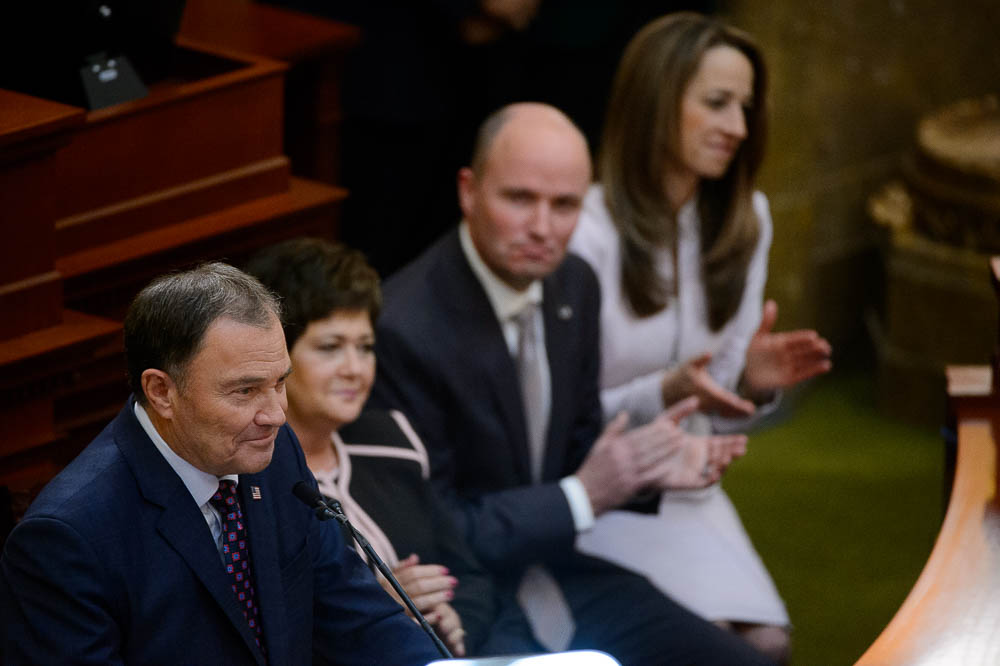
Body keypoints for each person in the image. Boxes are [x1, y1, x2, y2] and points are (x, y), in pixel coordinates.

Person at [370, 102, 775, 664]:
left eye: (564, 205)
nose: (543, 228)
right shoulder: (403, 330)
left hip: (562, 572)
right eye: (519, 199)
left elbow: (574, 442)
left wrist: (644, 469)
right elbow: (441, 532)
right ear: (468, 191)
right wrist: (584, 495)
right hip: (475, 601)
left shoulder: (573, 285)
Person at [0, 263, 440, 665]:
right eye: (245, 391)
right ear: (161, 392)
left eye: (280, 383)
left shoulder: (275, 453)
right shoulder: (68, 538)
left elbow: (358, 620)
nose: (276, 415)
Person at [569, 12, 833, 662]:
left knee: (769, 644)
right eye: (717, 103)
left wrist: (749, 382)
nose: (739, 129)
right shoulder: (584, 232)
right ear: (657, 101)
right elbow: (557, 421)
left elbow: (720, 382)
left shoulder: (748, 221)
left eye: (745, 107)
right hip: (602, 495)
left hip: (693, 493)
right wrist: (662, 393)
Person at [246, 237, 539, 657]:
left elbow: (469, 576)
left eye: (364, 347)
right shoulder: (251, 486)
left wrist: (454, 624)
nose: (355, 369)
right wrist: (376, 610)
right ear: (277, 360)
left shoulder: (391, 439)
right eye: (330, 347)